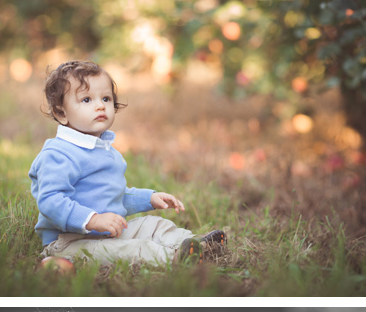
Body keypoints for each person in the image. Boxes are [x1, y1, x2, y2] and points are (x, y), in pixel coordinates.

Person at [29, 60, 227, 268]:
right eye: (86, 99)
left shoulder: (105, 151)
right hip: (69, 241)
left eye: (106, 98)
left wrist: (149, 198)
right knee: (131, 250)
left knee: (154, 225)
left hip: (108, 233)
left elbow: (115, 196)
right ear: (62, 113)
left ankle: (194, 244)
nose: (100, 105)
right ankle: (175, 258)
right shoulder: (59, 154)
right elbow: (51, 201)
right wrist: (93, 219)